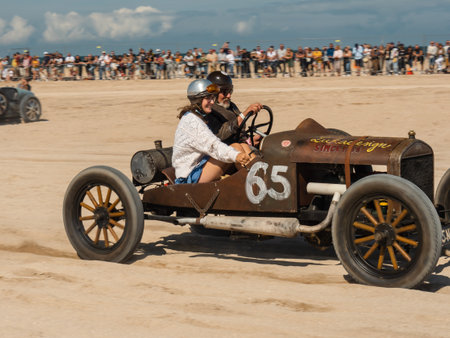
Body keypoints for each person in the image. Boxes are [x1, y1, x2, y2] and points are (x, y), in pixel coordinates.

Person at [172, 79, 251, 184]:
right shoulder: (191, 122)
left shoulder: (199, 117)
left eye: (212, 98)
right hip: (189, 177)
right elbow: (213, 146)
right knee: (235, 148)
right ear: (197, 100)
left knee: (243, 146)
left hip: (201, 165)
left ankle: (260, 174)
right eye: (208, 98)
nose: (212, 102)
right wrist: (236, 156)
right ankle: (255, 182)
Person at [205, 71, 263, 145]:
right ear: (214, 93)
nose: (229, 95)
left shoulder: (231, 105)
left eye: (230, 91)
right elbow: (220, 134)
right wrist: (243, 115)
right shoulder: (210, 110)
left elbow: (239, 132)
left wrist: (249, 140)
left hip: (241, 144)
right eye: (225, 91)